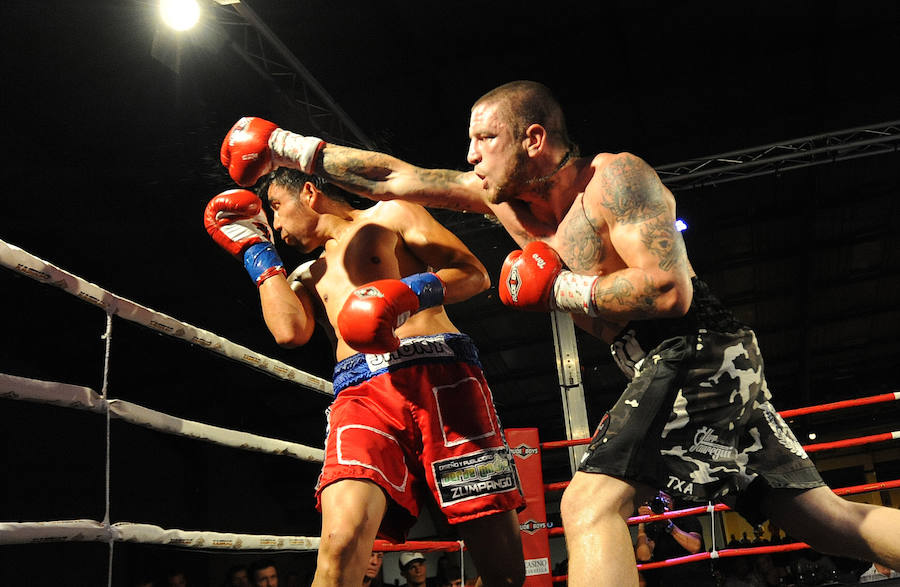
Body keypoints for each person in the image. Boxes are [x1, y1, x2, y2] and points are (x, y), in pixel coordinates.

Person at [219, 79, 900, 587]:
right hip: (664, 362)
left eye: (485, 139)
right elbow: (397, 176)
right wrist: (284, 145)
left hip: (696, 348)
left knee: (589, 503)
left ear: (534, 138)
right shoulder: (504, 204)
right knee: (824, 518)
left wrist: (563, 286)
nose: (471, 156)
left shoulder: (616, 179)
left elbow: (668, 289)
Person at [203, 169, 525, 587]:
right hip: (362, 396)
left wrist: (402, 296)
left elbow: (473, 273)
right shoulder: (305, 275)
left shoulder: (391, 214)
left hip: (443, 381)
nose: (276, 226)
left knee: (499, 565)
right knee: (340, 543)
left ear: (309, 192)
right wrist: (255, 252)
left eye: (277, 209)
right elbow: (288, 332)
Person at [634, 490, 711, 587]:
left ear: (672, 501)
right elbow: (643, 556)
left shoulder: (686, 517)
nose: (661, 503)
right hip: (668, 581)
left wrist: (668, 524)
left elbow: (695, 547)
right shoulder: (653, 527)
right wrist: (641, 523)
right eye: (657, 500)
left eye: (665, 499)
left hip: (695, 579)